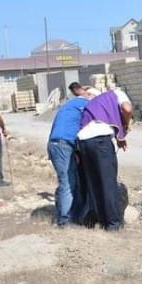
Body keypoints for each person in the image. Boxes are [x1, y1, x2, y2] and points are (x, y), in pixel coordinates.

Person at [76, 87, 132, 231]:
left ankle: (98, 220)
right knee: (108, 183)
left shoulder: (96, 102)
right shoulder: (118, 93)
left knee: (94, 182)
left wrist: (119, 136)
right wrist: (126, 124)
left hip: (83, 141)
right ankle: (113, 224)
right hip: (100, 141)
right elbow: (126, 109)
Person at [48, 82, 94, 226]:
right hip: (62, 145)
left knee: (73, 181)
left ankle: (76, 215)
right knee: (67, 183)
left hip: (60, 145)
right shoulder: (84, 104)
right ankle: (64, 220)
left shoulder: (69, 105)